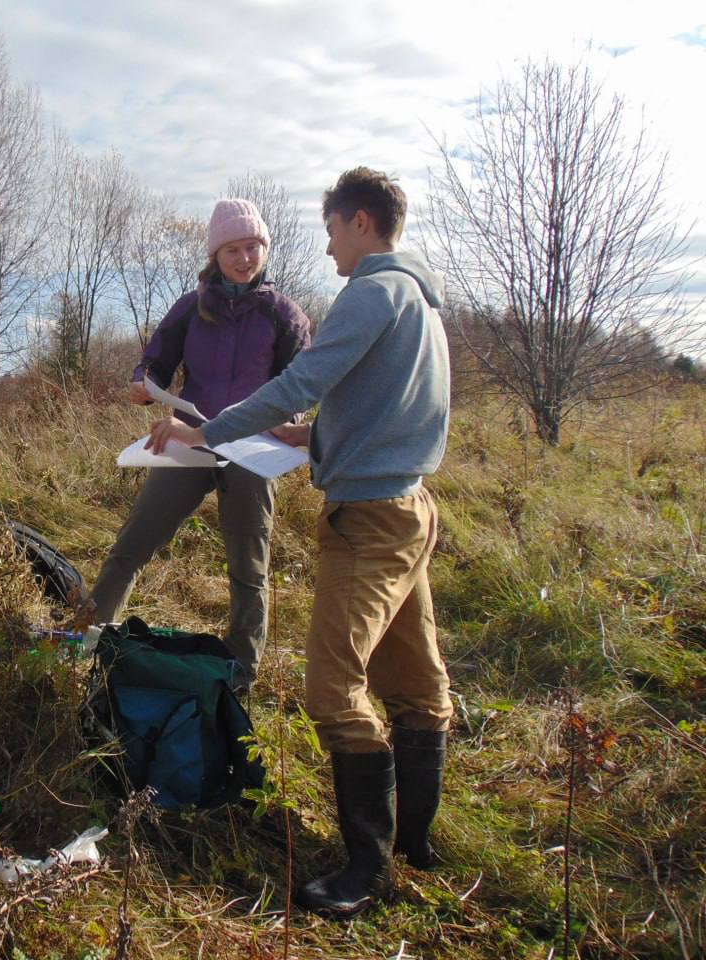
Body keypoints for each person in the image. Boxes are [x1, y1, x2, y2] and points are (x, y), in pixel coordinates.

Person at [148, 167, 453, 919]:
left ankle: (367, 869)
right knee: (417, 685)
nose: (326, 251)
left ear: (358, 221)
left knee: (331, 689)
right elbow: (381, 405)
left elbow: (301, 380)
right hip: (411, 507)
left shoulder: (373, 292)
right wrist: (312, 438)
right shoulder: (420, 299)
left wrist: (203, 431)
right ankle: (415, 845)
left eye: (329, 232)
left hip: (370, 522)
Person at [85, 198, 311, 692]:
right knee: (133, 543)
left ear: (264, 250)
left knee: (248, 564)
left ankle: (240, 677)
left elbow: (301, 384)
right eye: (233, 248)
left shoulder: (284, 314)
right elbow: (154, 364)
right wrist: (143, 384)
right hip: (190, 440)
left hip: (254, 449)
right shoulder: (192, 307)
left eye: (253, 246)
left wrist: (288, 422)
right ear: (216, 253)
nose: (245, 257)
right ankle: (87, 645)